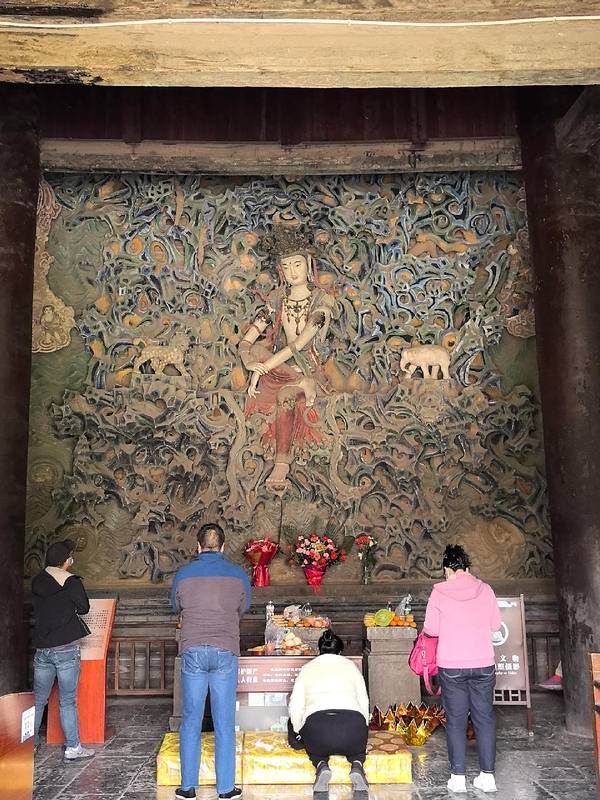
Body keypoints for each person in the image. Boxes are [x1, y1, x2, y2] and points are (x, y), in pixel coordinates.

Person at [239, 227, 335, 490]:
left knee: (285, 396)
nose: (293, 272)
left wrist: (261, 369)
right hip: (281, 367)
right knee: (258, 350)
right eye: (286, 266)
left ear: (309, 264)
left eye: (297, 264)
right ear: (281, 270)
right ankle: (298, 381)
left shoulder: (322, 301)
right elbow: (247, 340)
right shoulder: (278, 299)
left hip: (307, 367)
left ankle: (282, 461)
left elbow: (299, 344)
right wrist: (249, 361)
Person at [171, 524, 251, 800]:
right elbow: (243, 607)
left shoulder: (183, 574)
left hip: (193, 649)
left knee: (191, 719)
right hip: (225, 649)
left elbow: (176, 605)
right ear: (223, 546)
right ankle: (226, 788)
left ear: (198, 546)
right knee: (224, 721)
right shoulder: (238, 575)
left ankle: (187, 787)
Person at [424, 544, 501, 794]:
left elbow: (431, 629)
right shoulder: (486, 589)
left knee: (456, 720)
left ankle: (457, 778)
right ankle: (487, 777)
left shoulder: (439, 592)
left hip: (452, 665)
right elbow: (495, 625)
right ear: (467, 568)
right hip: (483, 663)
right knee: (484, 717)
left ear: (447, 569)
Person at [32, 539, 95, 760]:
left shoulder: (37, 580)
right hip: (66, 648)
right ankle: (73, 747)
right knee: (67, 700)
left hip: (42, 648)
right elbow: (84, 607)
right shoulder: (70, 581)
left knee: (38, 699)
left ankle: (28, 746)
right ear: (67, 561)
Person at [287, 629, 370, 793]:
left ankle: (321, 764)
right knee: (357, 749)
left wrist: (298, 730)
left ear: (320, 650)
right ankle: (357, 765)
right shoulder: (351, 666)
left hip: (319, 731)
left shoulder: (307, 668)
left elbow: (295, 706)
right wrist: (363, 728)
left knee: (296, 726)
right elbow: (364, 701)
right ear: (340, 651)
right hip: (353, 729)